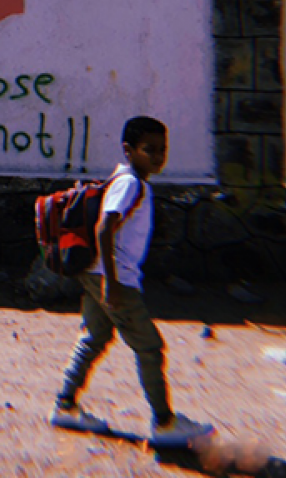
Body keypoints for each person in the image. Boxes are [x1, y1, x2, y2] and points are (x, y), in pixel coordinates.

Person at [49, 116, 214, 446]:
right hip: (114, 278)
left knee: (95, 336)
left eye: (162, 150)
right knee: (149, 347)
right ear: (129, 150)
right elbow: (105, 227)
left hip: (98, 274)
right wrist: (112, 282)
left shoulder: (126, 179)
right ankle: (165, 423)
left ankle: (65, 405)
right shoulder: (131, 184)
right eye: (149, 149)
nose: (157, 156)